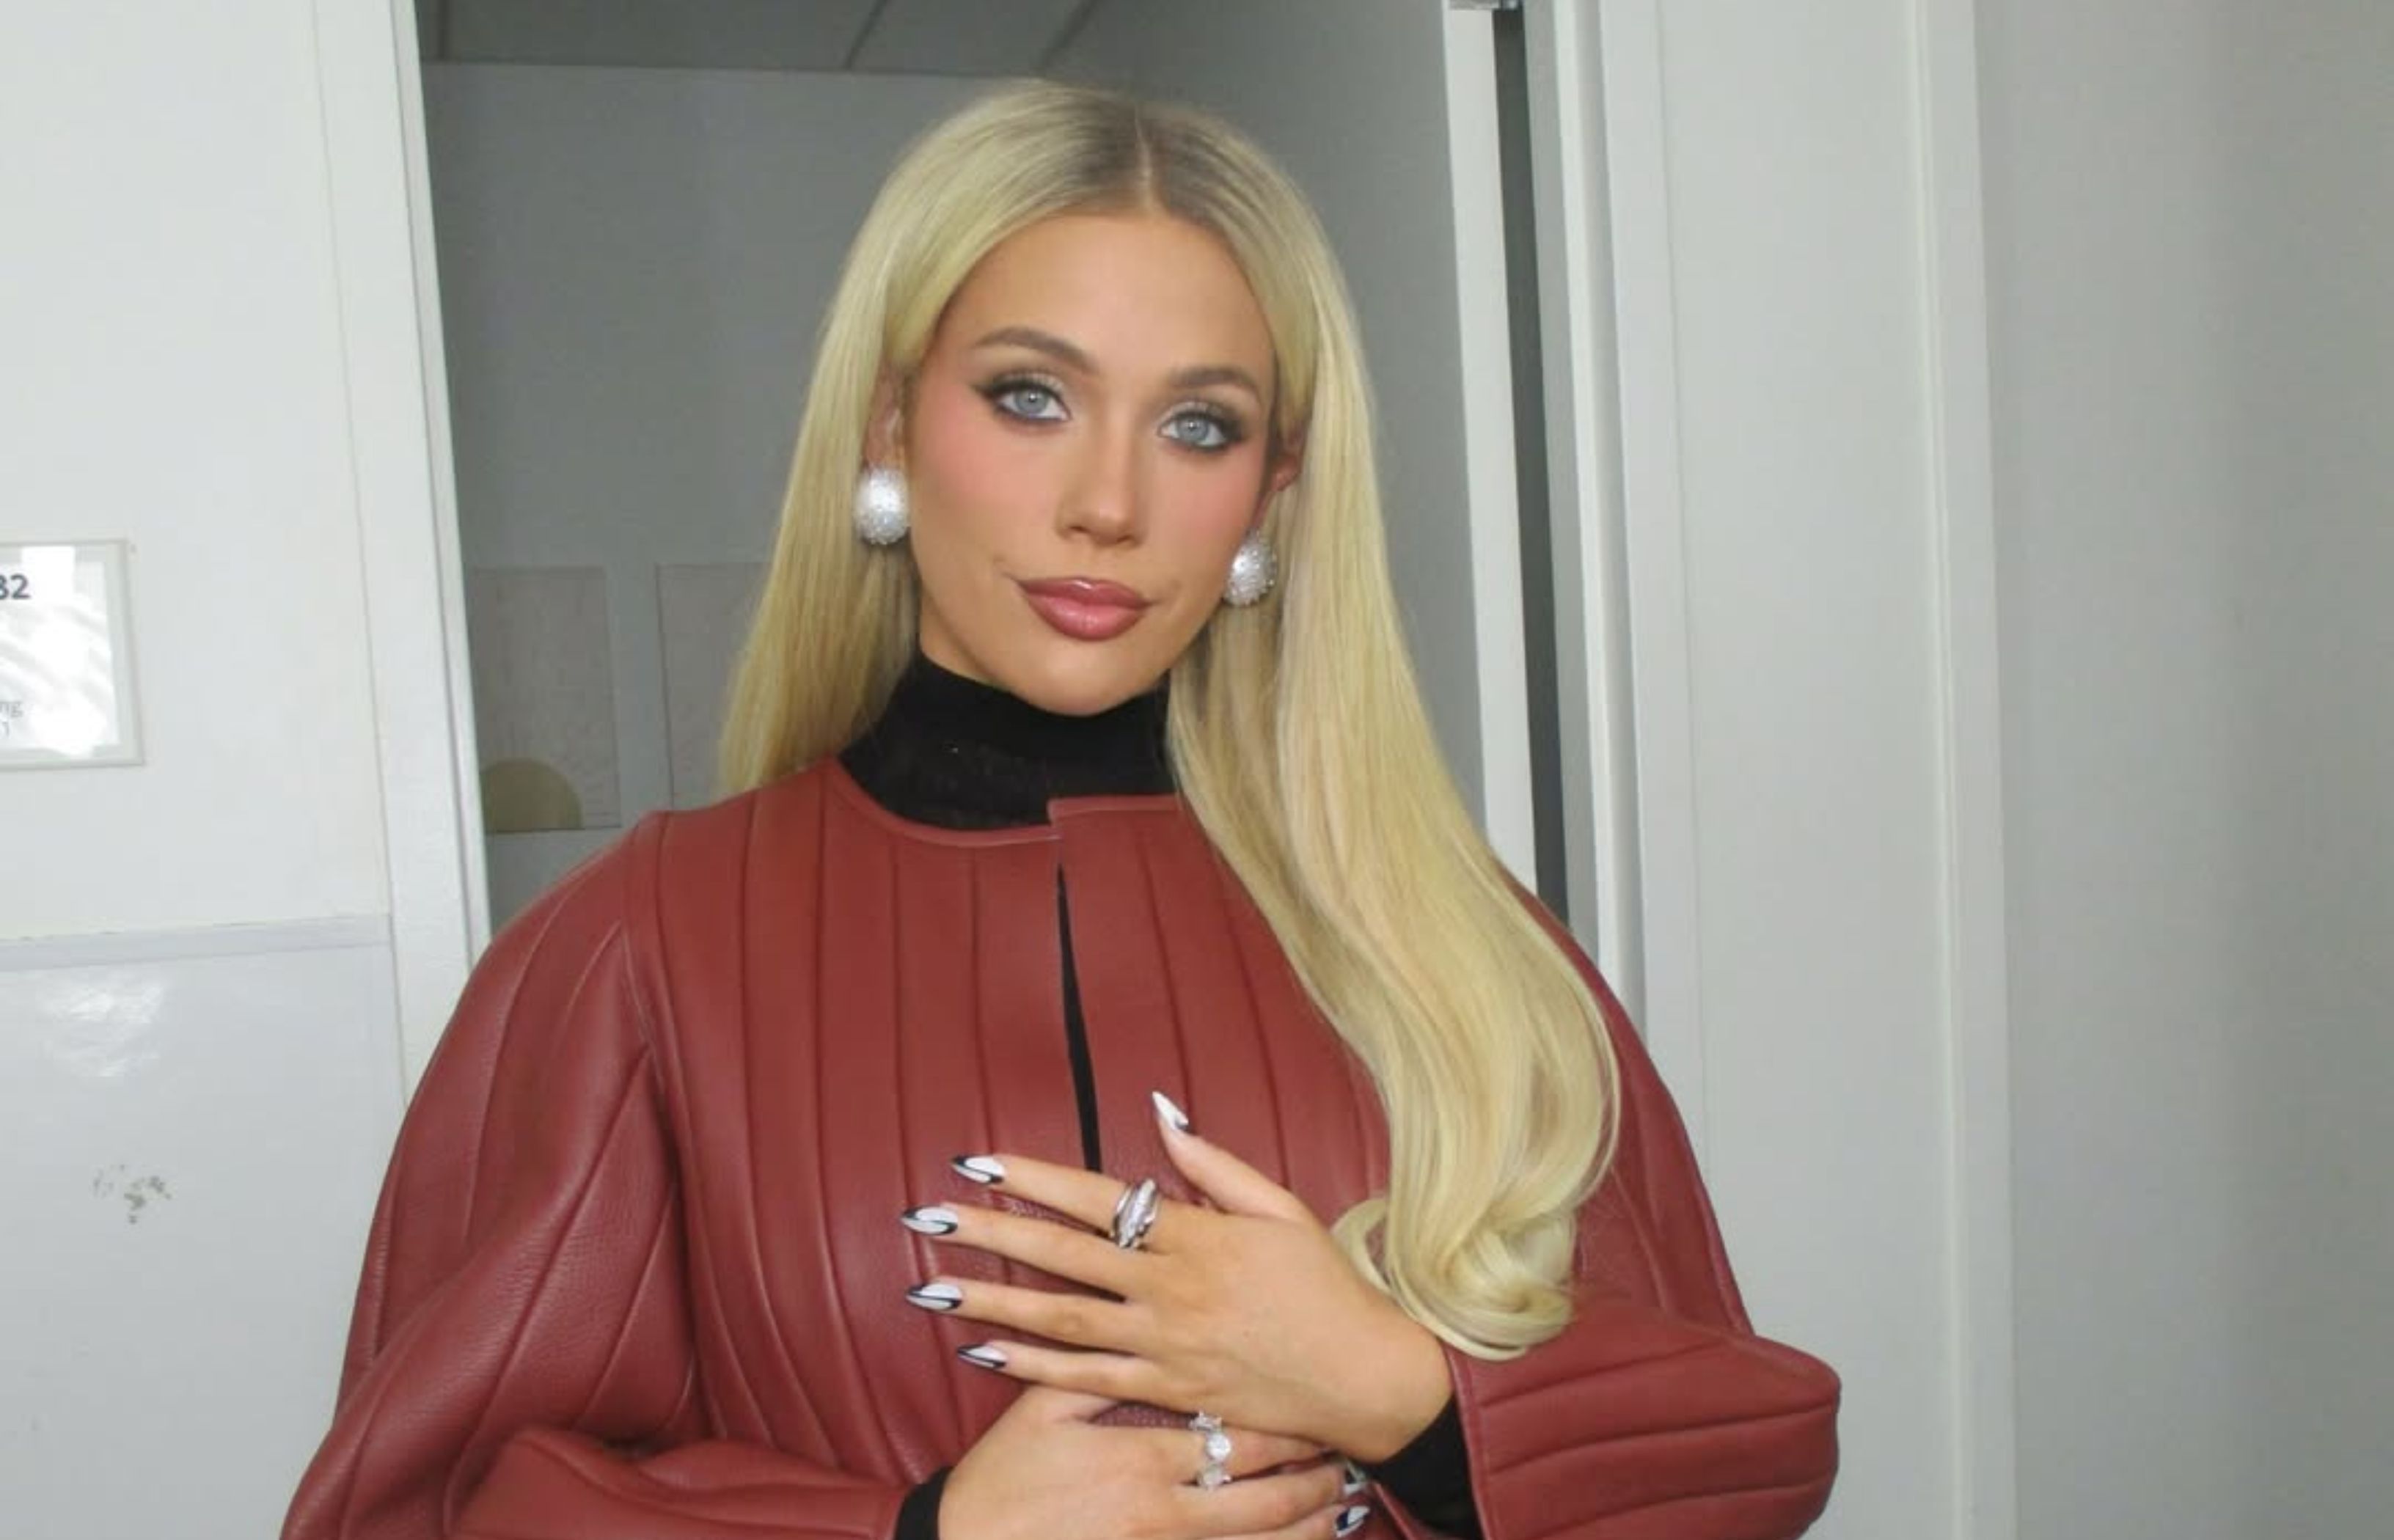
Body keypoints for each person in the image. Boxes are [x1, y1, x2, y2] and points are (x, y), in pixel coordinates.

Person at [281, 81, 1839, 1540]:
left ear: (1273, 493)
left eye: (1199, 425)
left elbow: (1752, 1455)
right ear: (891, 426)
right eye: (1031, 397)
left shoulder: (1453, 934)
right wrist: (929, 1533)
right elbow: (423, 1505)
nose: (1110, 503)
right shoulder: (640, 951)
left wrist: (1399, 1394)